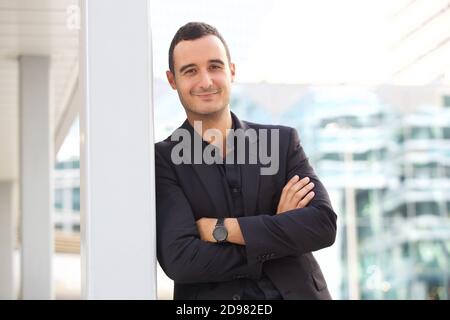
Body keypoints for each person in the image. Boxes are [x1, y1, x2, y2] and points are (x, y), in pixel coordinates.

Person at [155, 22, 337, 300]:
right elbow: (182, 259)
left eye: (215, 66)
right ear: (172, 80)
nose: (205, 81)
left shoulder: (281, 143)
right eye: (190, 71)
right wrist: (279, 231)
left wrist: (221, 230)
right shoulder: (163, 160)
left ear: (232, 71)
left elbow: (322, 225)